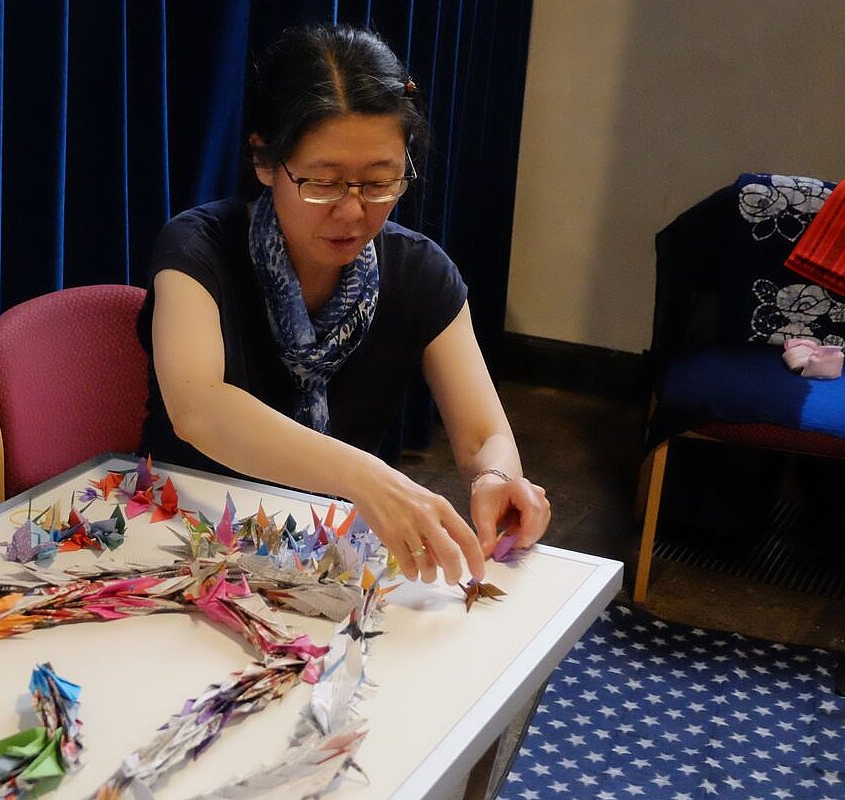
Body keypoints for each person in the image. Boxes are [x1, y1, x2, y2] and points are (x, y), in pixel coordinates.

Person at [136, 23, 550, 585]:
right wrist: (366, 478)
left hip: (322, 556)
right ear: (265, 161)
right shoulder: (198, 248)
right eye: (324, 183)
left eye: (380, 183)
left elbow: (483, 437)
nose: (353, 213)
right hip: (178, 536)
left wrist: (495, 477)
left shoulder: (420, 272)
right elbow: (199, 409)